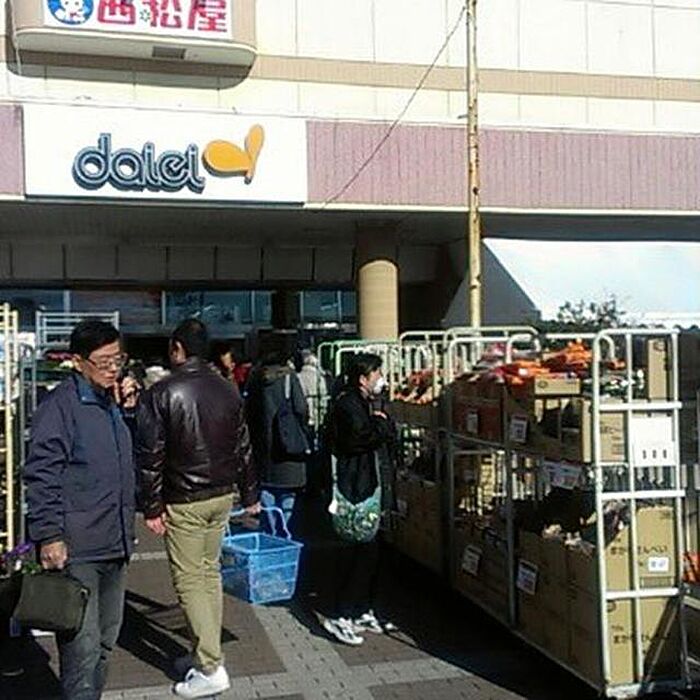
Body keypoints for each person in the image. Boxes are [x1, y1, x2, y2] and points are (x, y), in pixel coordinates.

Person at [135, 319, 260, 700]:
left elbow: (150, 456)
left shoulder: (161, 392)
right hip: (222, 495)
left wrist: (150, 505)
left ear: (177, 348)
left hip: (184, 498)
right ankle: (204, 654)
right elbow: (243, 446)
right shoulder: (227, 388)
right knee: (208, 575)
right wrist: (250, 493)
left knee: (190, 580)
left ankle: (210, 666)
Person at [24, 320, 139, 700]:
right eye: (104, 361)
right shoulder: (60, 407)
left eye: (118, 359)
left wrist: (131, 413)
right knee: (81, 648)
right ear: (77, 361)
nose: (113, 368)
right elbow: (41, 473)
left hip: (116, 542)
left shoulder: (111, 404)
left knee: (106, 642)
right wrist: (49, 535)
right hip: (78, 549)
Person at [322, 353, 394, 646]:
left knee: (370, 552)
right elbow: (359, 438)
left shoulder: (360, 402)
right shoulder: (348, 404)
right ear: (363, 378)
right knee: (356, 552)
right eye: (377, 374)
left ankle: (360, 609)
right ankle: (341, 613)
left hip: (363, 483)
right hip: (354, 487)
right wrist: (381, 424)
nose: (381, 379)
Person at [245, 351, 309, 533]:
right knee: (288, 493)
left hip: (263, 446)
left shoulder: (255, 378)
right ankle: (283, 530)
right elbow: (301, 408)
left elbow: (248, 412)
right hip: (288, 446)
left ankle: (271, 530)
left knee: (267, 490)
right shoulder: (289, 378)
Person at [296, 349, 329, 442]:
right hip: (317, 411)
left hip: (304, 411)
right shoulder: (319, 377)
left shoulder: (298, 377)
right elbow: (323, 394)